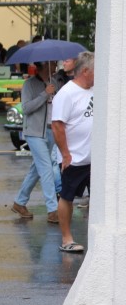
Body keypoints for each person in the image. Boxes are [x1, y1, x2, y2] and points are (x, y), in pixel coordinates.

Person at [51, 51, 94, 253]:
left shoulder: (97, 89)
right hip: (74, 158)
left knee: (100, 198)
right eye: (96, 70)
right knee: (67, 196)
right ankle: (67, 238)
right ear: (85, 71)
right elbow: (57, 126)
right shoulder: (66, 94)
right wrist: (66, 154)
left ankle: (96, 237)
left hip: (96, 159)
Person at [11, 61, 60, 223]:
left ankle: (19, 202)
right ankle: (53, 210)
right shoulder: (29, 84)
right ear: (44, 66)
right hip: (34, 132)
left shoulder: (55, 81)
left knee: (37, 169)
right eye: (52, 64)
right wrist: (44, 94)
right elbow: (26, 108)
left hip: (51, 130)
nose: (55, 66)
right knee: (46, 168)